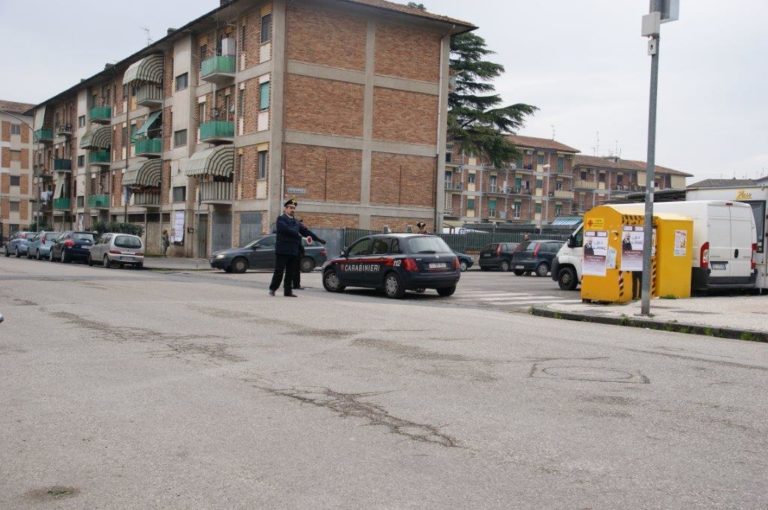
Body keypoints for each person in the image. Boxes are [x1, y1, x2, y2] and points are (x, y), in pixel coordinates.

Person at [269, 199, 318, 297]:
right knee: (279, 271)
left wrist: (317, 238)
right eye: (291, 208)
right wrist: (298, 234)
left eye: (294, 208)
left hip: (293, 250)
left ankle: (288, 291)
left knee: (290, 272)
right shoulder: (281, 219)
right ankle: (273, 288)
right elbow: (286, 230)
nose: (292, 210)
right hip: (283, 250)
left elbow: (305, 231)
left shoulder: (296, 221)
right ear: (285, 209)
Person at [292, 218, 326, 290]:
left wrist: (319, 239)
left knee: (295, 268)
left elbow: (308, 233)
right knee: (291, 268)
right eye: (302, 223)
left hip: (296, 250)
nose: (303, 225)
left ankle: (295, 284)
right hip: (290, 250)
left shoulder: (298, 228)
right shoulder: (293, 225)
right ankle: (290, 285)